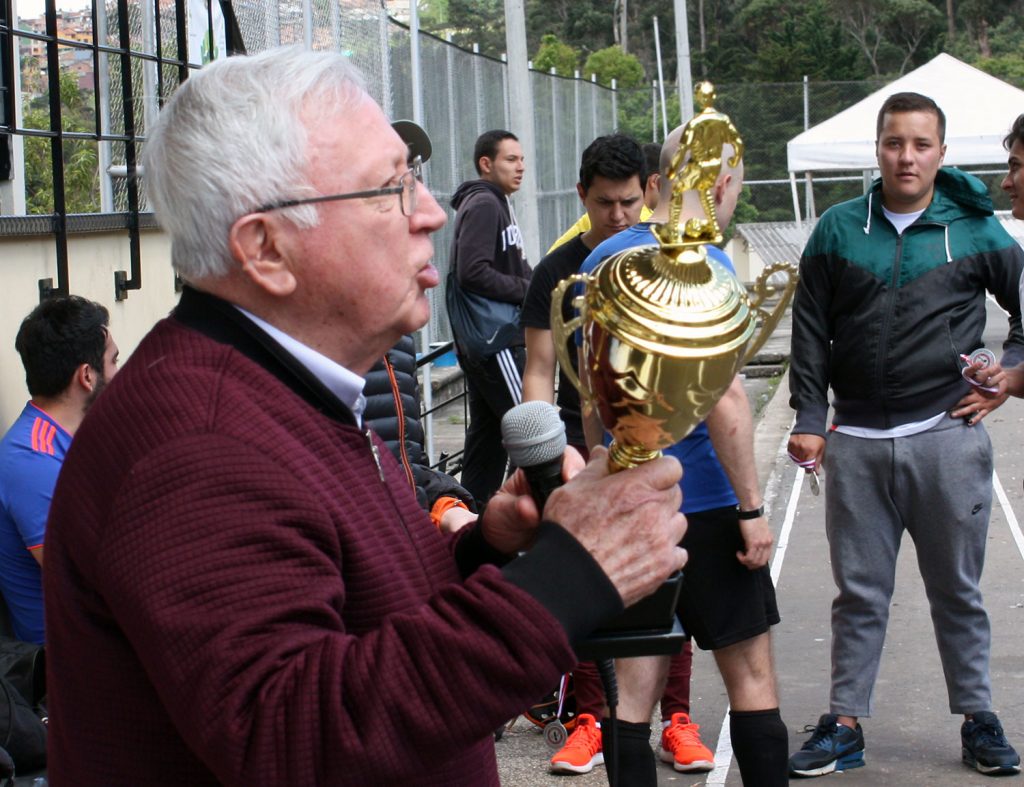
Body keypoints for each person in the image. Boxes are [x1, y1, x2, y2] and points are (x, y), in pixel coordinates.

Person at [42, 46, 690, 787]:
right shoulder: (199, 443)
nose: (431, 212)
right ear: (266, 248)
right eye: (389, 190)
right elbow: (295, 732)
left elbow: (352, 612)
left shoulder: (282, 387)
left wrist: (488, 550)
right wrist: (569, 576)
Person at [788, 92, 1024, 778]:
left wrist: (1006, 377)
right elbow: (808, 332)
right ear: (878, 149)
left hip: (945, 436)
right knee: (859, 593)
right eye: (895, 143)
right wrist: (809, 420)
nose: (907, 156)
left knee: (957, 587)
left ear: (941, 153)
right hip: (856, 439)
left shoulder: (976, 232)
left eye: (921, 144)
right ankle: (846, 722)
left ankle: (978, 717)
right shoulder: (837, 229)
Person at [576, 125, 788, 786]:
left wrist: (603, 474)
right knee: (750, 676)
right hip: (709, 503)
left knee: (631, 697)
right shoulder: (708, 263)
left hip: (635, 506)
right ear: (722, 183)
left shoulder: (604, 258)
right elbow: (724, 398)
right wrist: (751, 507)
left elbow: (589, 393)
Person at [522, 133, 714, 776]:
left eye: (631, 202)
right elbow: (541, 371)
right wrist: (546, 454)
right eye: (605, 204)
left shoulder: (669, 258)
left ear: (652, 192)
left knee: (666, 574)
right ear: (583, 197)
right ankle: (588, 718)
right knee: (585, 582)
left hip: (663, 447)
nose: (620, 216)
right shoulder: (555, 272)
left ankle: (676, 718)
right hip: (585, 449)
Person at [0, 295, 118, 645]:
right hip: (71, 666)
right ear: (86, 376)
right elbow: (90, 580)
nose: (119, 374)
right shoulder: (30, 458)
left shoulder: (77, 439)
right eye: (113, 362)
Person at [447, 129, 531, 506]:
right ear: (486, 164)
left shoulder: (496, 202)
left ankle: (472, 515)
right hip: (496, 340)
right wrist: (524, 289)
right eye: (511, 159)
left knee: (488, 436)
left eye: (522, 159)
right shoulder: (484, 204)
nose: (520, 167)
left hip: (487, 342)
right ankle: (528, 519)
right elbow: (472, 271)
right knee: (532, 429)